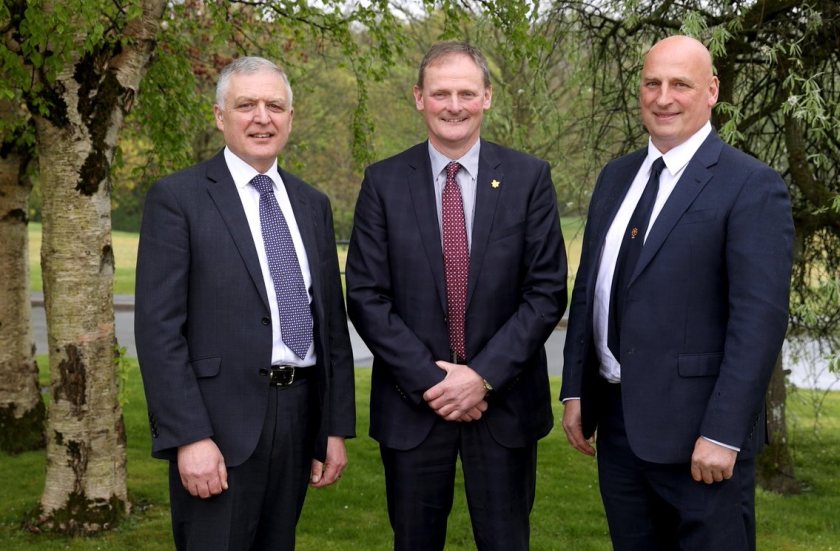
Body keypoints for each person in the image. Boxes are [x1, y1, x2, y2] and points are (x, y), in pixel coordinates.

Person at [560, 35, 794, 550]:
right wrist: (577, 389)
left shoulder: (750, 185)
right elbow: (592, 290)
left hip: (701, 441)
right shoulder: (615, 178)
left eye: (680, 84)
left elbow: (758, 323)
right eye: (652, 83)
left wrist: (724, 433)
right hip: (620, 432)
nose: (663, 97)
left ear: (711, 91)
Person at [346, 42, 567, 550]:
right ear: (418, 98)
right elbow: (365, 295)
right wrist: (435, 383)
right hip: (413, 407)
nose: (453, 105)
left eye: (466, 92)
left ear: (487, 98)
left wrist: (482, 378)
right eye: (440, 92)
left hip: (505, 407)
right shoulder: (382, 182)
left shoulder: (529, 178)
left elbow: (546, 292)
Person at [135, 56, 355, 551]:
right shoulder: (178, 198)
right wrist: (188, 436)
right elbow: (158, 330)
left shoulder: (312, 204)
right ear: (219, 116)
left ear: (291, 117)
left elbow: (331, 327)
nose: (262, 117)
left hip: (298, 420)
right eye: (246, 105)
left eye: (275, 105)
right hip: (216, 428)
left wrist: (333, 429)